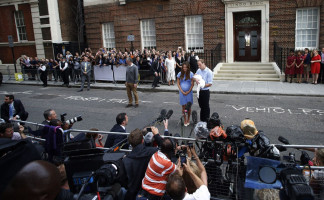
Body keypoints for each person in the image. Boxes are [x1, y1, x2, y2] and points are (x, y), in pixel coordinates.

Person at [123, 127, 163, 200]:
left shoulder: (125, 160)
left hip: (131, 194)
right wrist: (157, 135)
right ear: (142, 140)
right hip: (146, 192)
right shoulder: (151, 152)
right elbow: (165, 149)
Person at [177, 62, 194, 126]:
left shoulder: (191, 74)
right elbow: (178, 83)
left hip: (189, 92)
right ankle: (185, 119)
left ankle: (189, 119)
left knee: (188, 107)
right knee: (183, 107)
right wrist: (182, 91)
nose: (184, 68)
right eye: (183, 67)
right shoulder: (179, 73)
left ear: (188, 67)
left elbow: (192, 84)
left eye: (186, 67)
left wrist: (188, 91)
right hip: (182, 92)